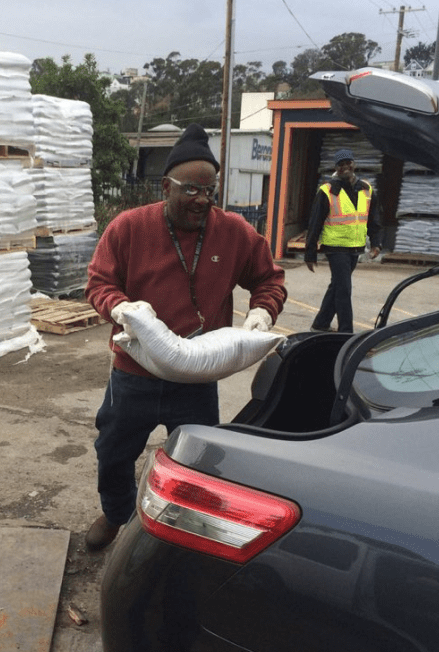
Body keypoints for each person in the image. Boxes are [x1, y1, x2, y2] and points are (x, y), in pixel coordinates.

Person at [84, 123, 287, 551]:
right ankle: (116, 514)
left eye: (209, 191)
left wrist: (261, 312)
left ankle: (189, 532)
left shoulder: (233, 232)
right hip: (135, 373)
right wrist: (120, 307)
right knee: (114, 451)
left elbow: (269, 279)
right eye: (191, 190)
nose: (201, 201)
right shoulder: (129, 228)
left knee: (200, 462)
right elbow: (99, 283)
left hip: (196, 379)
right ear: (166, 186)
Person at [305, 148, 383, 333]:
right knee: (344, 290)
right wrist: (310, 252)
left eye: (348, 162)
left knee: (337, 286)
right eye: (341, 164)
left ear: (353, 164)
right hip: (335, 248)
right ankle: (346, 332)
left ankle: (321, 323)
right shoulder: (328, 191)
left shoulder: (366, 189)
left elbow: (374, 219)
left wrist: (376, 243)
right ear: (336, 168)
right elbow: (315, 222)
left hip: (355, 247)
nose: (345, 167)